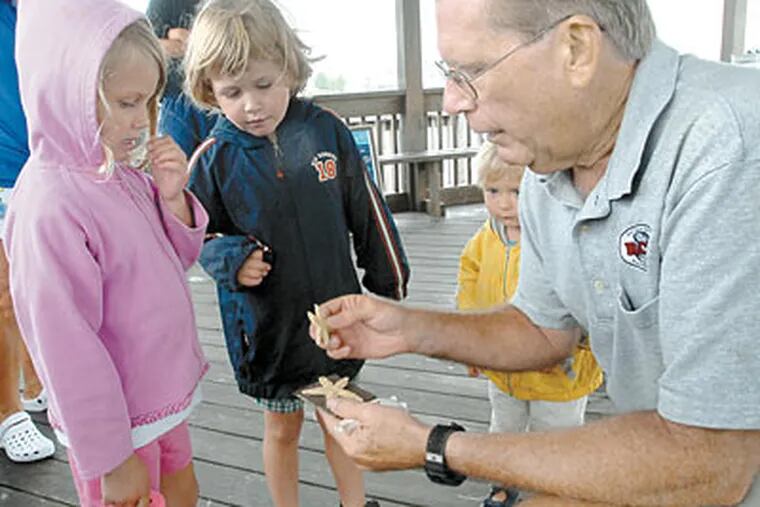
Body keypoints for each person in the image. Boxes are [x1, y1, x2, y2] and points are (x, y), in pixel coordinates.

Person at [310, 0, 760, 505]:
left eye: (470, 72)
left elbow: (709, 464)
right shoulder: (550, 162)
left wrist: (434, 447)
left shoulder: (728, 148)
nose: (452, 101)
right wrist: (408, 328)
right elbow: (543, 329)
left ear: (576, 49)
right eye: (448, 74)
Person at [184, 1, 409, 505]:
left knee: (341, 421)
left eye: (264, 84)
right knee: (282, 429)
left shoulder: (326, 131)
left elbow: (366, 207)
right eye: (232, 92)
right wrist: (232, 259)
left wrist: (388, 281)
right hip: (269, 331)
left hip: (336, 319)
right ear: (210, 91)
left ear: (288, 67)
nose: (252, 105)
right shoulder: (214, 158)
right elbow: (196, 234)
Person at [8, 0, 211, 504]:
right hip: (118, 429)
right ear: (66, 89)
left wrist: (172, 199)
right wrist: (112, 459)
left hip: (160, 398)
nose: (142, 121)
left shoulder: (117, 171)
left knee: (183, 490)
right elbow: (65, 347)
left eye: (149, 101)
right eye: (126, 103)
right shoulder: (51, 204)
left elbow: (174, 261)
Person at [457, 141, 602, 506]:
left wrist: (576, 344)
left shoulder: (564, 237)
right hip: (503, 366)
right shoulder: (484, 240)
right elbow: (469, 285)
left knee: (554, 436)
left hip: (558, 373)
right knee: (504, 429)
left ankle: (551, 492)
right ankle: (503, 483)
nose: (504, 204)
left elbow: (589, 296)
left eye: (517, 192)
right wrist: (470, 342)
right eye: (493, 191)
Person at [0, 0, 55, 464]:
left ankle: (35, 384)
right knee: (3, 293)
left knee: (33, 288)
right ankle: (7, 413)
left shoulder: (43, 13)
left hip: (39, 168)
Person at [146, 0, 217, 158]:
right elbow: (148, 46)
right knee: (170, 164)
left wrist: (183, 41)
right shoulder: (162, 3)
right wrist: (201, 46)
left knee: (222, 167)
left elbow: (235, 47)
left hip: (220, 102)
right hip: (176, 101)